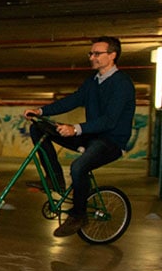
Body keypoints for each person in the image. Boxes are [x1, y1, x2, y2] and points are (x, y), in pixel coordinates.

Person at [24, 36, 135, 237]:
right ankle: (55, 179)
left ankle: (78, 215)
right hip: (90, 137)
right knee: (38, 129)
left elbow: (110, 120)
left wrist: (75, 129)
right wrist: (41, 111)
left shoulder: (122, 83)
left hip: (111, 141)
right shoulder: (92, 82)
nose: (92, 57)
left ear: (112, 55)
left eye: (97, 53)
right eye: (90, 53)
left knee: (78, 167)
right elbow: (73, 100)